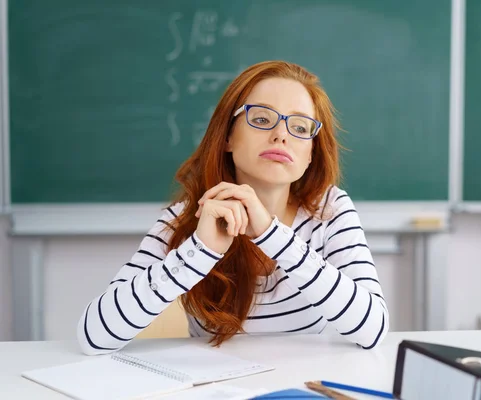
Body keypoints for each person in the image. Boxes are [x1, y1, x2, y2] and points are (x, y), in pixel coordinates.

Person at [77, 60, 389, 355]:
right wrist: (199, 251)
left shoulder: (330, 211)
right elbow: (93, 336)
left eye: (300, 127)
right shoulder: (187, 218)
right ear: (227, 135)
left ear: (311, 153)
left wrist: (273, 235)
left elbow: (373, 331)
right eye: (262, 119)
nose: (281, 135)